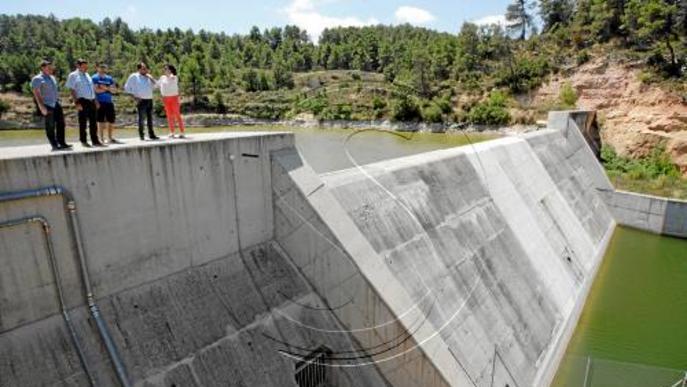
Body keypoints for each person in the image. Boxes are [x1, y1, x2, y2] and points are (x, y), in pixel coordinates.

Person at [31, 60, 72, 151]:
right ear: (42, 67)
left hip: (56, 103)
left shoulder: (52, 77)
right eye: (48, 67)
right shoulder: (37, 79)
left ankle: (62, 143)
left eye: (51, 67)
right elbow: (36, 93)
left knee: (61, 123)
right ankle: (54, 144)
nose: (51, 68)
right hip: (46, 104)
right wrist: (41, 107)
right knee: (50, 125)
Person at [66, 59, 103, 147]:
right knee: (83, 122)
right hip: (82, 100)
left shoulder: (87, 75)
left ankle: (95, 140)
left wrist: (96, 100)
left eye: (86, 66)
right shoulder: (73, 75)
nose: (86, 67)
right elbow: (72, 89)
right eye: (83, 66)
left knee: (93, 122)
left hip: (91, 100)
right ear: (78, 66)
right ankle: (83, 141)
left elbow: (92, 89)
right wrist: (76, 102)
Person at [124, 62, 159, 141]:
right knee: (141, 119)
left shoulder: (148, 77)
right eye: (143, 68)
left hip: (149, 99)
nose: (145, 70)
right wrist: (134, 97)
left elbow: (157, 86)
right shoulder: (134, 76)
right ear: (139, 69)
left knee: (150, 118)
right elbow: (127, 88)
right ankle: (141, 135)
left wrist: (151, 78)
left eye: (146, 68)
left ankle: (151, 134)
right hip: (141, 100)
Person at [92, 63, 122, 144]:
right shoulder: (95, 78)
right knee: (100, 120)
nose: (103, 69)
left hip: (109, 102)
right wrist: (108, 89)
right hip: (99, 101)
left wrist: (103, 88)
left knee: (111, 120)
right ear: (97, 68)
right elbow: (95, 90)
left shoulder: (109, 78)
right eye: (101, 67)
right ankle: (101, 138)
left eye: (104, 67)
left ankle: (110, 138)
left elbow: (115, 90)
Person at [157, 64, 186, 138]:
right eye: (165, 69)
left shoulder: (175, 77)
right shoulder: (162, 77)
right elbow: (157, 84)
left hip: (174, 98)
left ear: (170, 70)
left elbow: (172, 77)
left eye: (166, 69)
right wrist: (149, 78)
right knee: (169, 116)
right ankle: (172, 132)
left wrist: (171, 75)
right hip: (165, 99)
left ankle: (182, 132)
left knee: (177, 115)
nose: (165, 70)